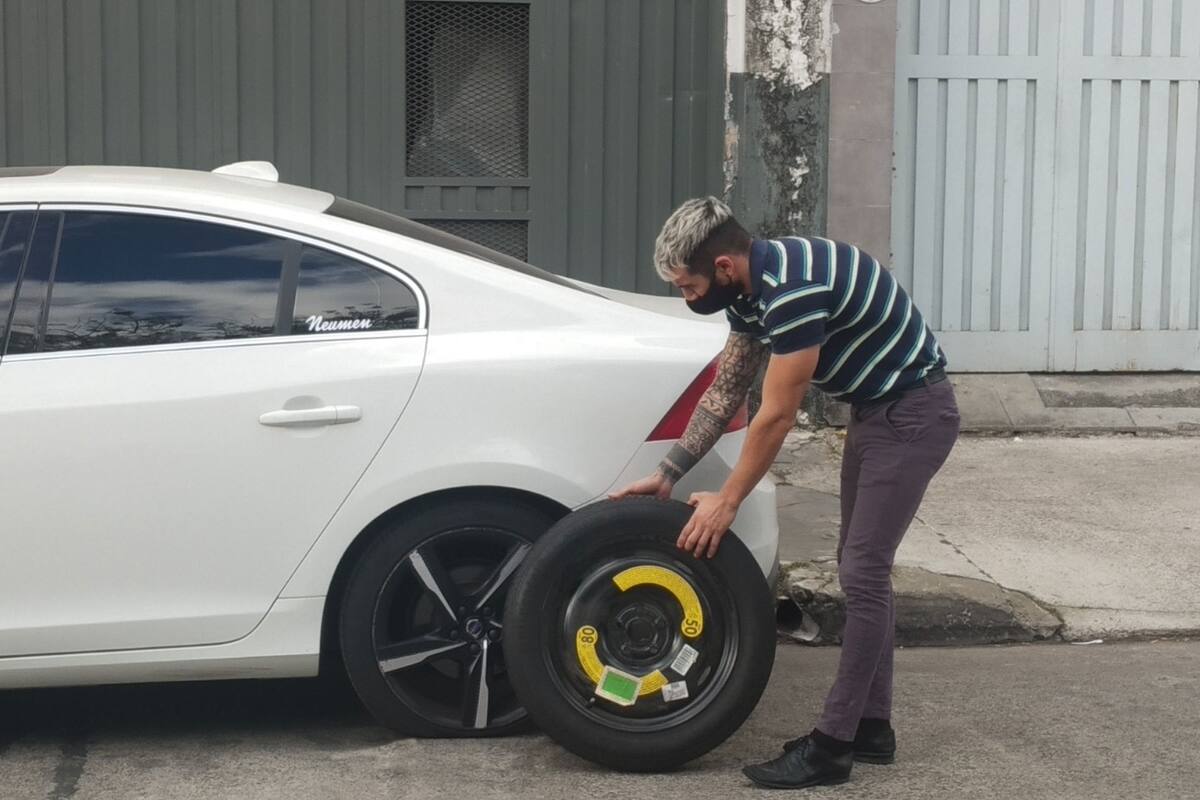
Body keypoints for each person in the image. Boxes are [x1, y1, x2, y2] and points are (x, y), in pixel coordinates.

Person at [612, 197, 960, 790]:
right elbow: (729, 389)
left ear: (723, 267)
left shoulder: (793, 290)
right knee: (864, 572)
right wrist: (669, 472)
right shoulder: (752, 291)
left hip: (912, 417)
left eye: (688, 285)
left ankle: (832, 748)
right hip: (878, 416)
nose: (685, 299)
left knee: (864, 574)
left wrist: (728, 499)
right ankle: (872, 729)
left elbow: (775, 415)